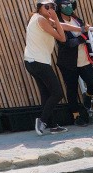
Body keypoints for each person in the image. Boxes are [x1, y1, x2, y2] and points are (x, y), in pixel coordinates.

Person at [23, 1, 67, 135]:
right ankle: (42, 121)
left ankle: (53, 126)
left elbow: (64, 26)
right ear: (39, 8)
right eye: (46, 7)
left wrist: (81, 29)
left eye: (52, 6)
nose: (50, 9)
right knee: (58, 93)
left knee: (46, 94)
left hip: (31, 61)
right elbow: (62, 38)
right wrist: (56, 19)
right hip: (38, 62)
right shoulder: (41, 19)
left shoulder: (39, 19)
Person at [55, 0, 93, 126]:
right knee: (72, 89)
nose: (68, 7)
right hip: (68, 63)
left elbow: (84, 37)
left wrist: (90, 51)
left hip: (84, 59)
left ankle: (88, 96)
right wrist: (84, 36)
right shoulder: (58, 24)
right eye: (65, 5)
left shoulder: (77, 20)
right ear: (59, 7)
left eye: (70, 4)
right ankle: (76, 116)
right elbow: (67, 43)